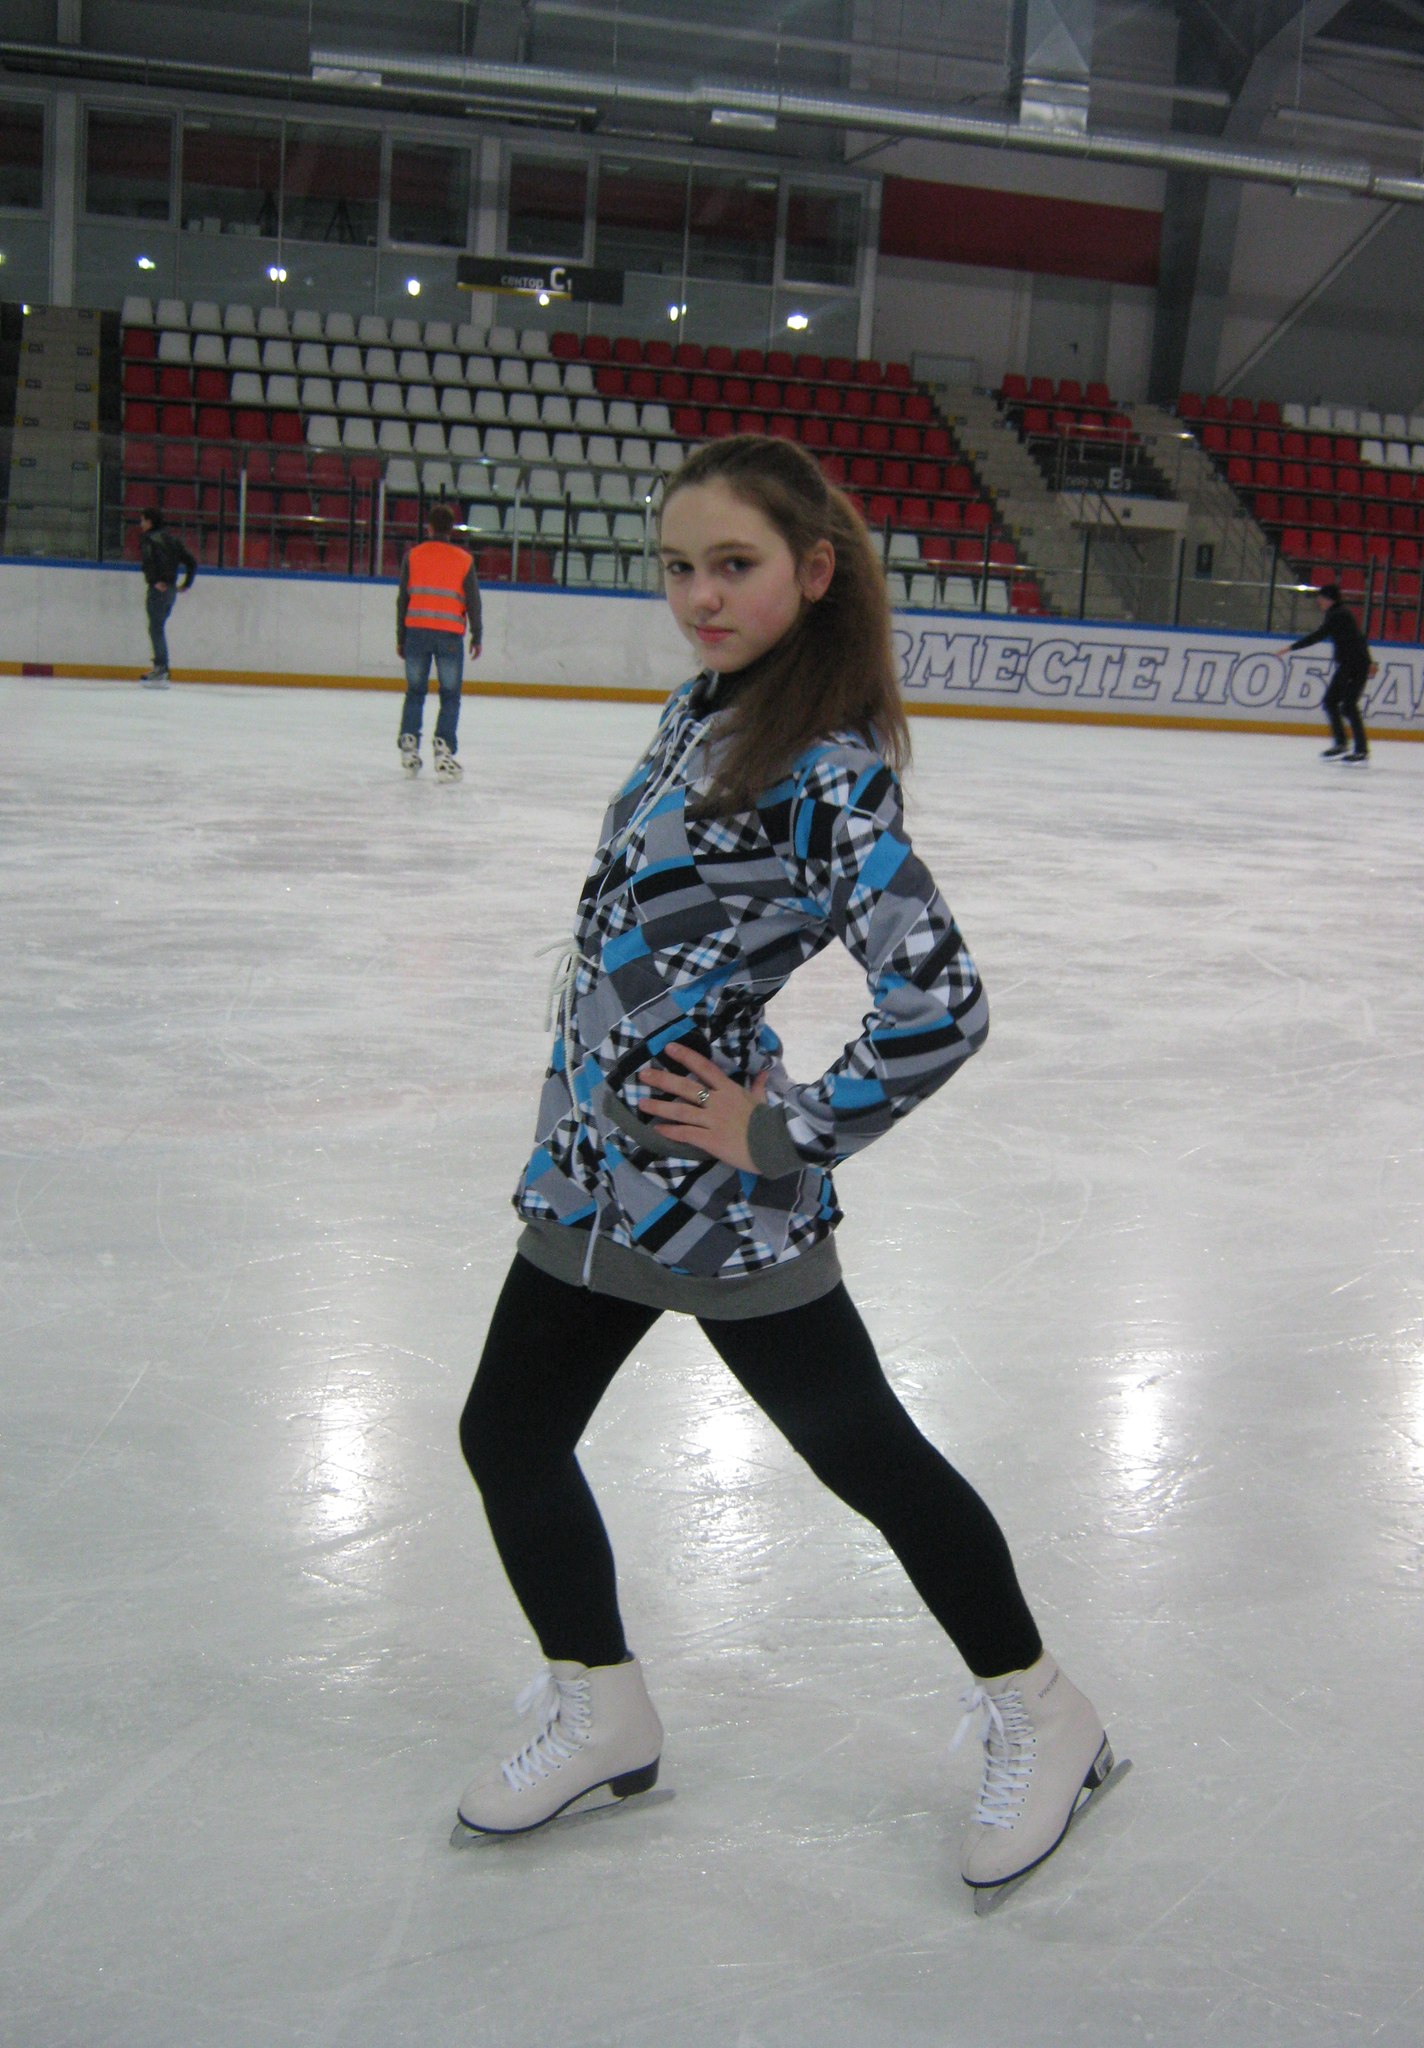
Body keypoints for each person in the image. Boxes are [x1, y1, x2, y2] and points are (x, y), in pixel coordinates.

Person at [456, 434, 1117, 1897]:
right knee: (507, 1434)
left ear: (815, 572)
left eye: (734, 565)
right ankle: (601, 1705)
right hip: (591, 1174)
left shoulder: (823, 776)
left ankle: (1045, 1709)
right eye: (678, 566)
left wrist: (786, 1131)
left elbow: (942, 1001)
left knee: (862, 1452)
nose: (699, 594)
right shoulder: (709, 707)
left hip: (715, 1200)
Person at [396, 502, 482, 779]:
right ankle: (443, 751)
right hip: (449, 635)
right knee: (450, 695)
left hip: (416, 632)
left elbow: (403, 600)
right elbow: (473, 602)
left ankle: (409, 745)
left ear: (429, 527)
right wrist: (477, 635)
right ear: (451, 529)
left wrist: (401, 636)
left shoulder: (413, 556)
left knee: (415, 692)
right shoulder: (464, 560)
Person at [1289, 581, 1373, 762]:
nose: (1318, 601)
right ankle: (1342, 743)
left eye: (1320, 598)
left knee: (1347, 705)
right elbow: (1359, 637)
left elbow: (1320, 635)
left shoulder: (1338, 614)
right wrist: (1369, 660)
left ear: (1329, 599)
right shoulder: (1338, 613)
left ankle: (1360, 749)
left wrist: (1292, 647)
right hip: (1351, 664)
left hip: (1354, 665)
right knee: (1333, 702)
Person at [136, 507, 196, 687]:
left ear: (150, 522)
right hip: (170, 591)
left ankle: (161, 669)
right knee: (158, 627)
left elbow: (149, 562)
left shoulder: (149, 539)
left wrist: (154, 580)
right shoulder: (172, 539)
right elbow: (191, 562)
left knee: (155, 628)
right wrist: (186, 584)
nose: (141, 524)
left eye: (143, 520)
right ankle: (161, 668)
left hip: (158, 590)